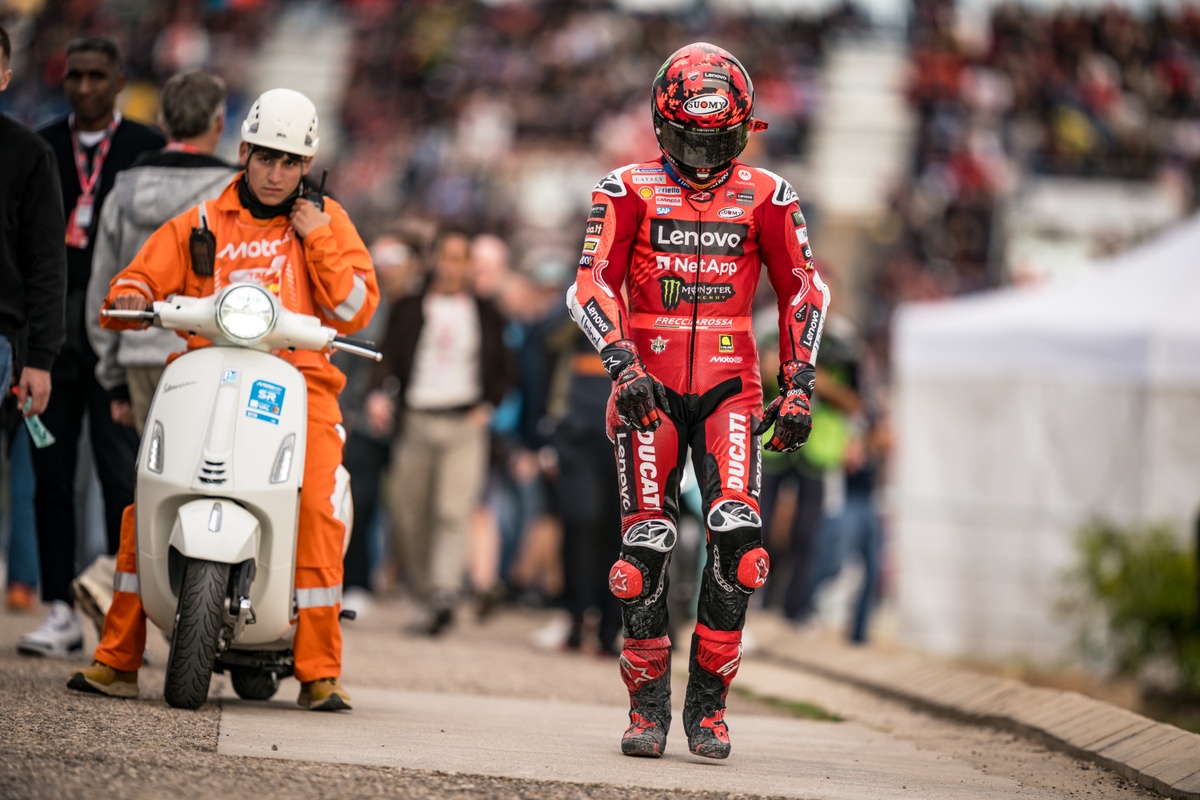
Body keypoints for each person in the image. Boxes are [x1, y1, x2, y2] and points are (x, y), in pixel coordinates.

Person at [67, 88, 379, 712]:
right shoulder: (204, 219)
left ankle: (319, 672)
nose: (275, 173)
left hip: (302, 386)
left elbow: (355, 309)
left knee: (317, 508)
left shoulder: (328, 220)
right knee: (146, 495)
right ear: (243, 152)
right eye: (265, 158)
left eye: (289, 162)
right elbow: (140, 275)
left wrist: (318, 237)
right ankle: (118, 659)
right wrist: (132, 292)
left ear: (306, 164)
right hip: (207, 376)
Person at [566, 42, 829, 759]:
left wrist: (799, 383)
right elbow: (589, 283)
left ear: (745, 129)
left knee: (741, 548)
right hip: (644, 388)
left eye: (722, 140)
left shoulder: (772, 195)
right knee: (641, 552)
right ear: (661, 126)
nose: (707, 157)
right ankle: (646, 707)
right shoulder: (624, 188)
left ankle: (709, 709)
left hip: (731, 389)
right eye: (692, 140)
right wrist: (621, 364)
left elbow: (804, 289)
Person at [73, 70, 236, 637]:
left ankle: (144, 608)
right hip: (201, 353)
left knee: (149, 485)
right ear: (219, 123)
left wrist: (112, 373)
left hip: (136, 354)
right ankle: (121, 584)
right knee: (202, 485)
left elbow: (103, 286)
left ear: (163, 121)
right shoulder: (229, 192)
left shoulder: (123, 187)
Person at [19, 36, 164, 659]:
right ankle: (59, 608)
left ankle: (119, 614)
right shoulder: (41, 145)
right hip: (50, 339)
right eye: (74, 75)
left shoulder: (146, 149)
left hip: (116, 341)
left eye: (96, 76)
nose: (83, 87)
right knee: (50, 475)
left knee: (119, 482)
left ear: (119, 81)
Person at [366, 226, 513, 636]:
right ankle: (426, 592)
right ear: (434, 260)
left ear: (469, 265)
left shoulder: (486, 312)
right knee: (409, 510)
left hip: (464, 423)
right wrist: (378, 394)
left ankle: (444, 594)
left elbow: (505, 367)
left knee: (453, 510)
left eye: (460, 258)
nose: (452, 266)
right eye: (446, 257)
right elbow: (387, 357)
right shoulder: (410, 307)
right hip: (416, 419)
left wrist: (488, 405)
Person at [0, 22, 66, 611]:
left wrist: (39, 358)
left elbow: (47, 264)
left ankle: (24, 578)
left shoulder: (28, 155)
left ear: (4, 77)